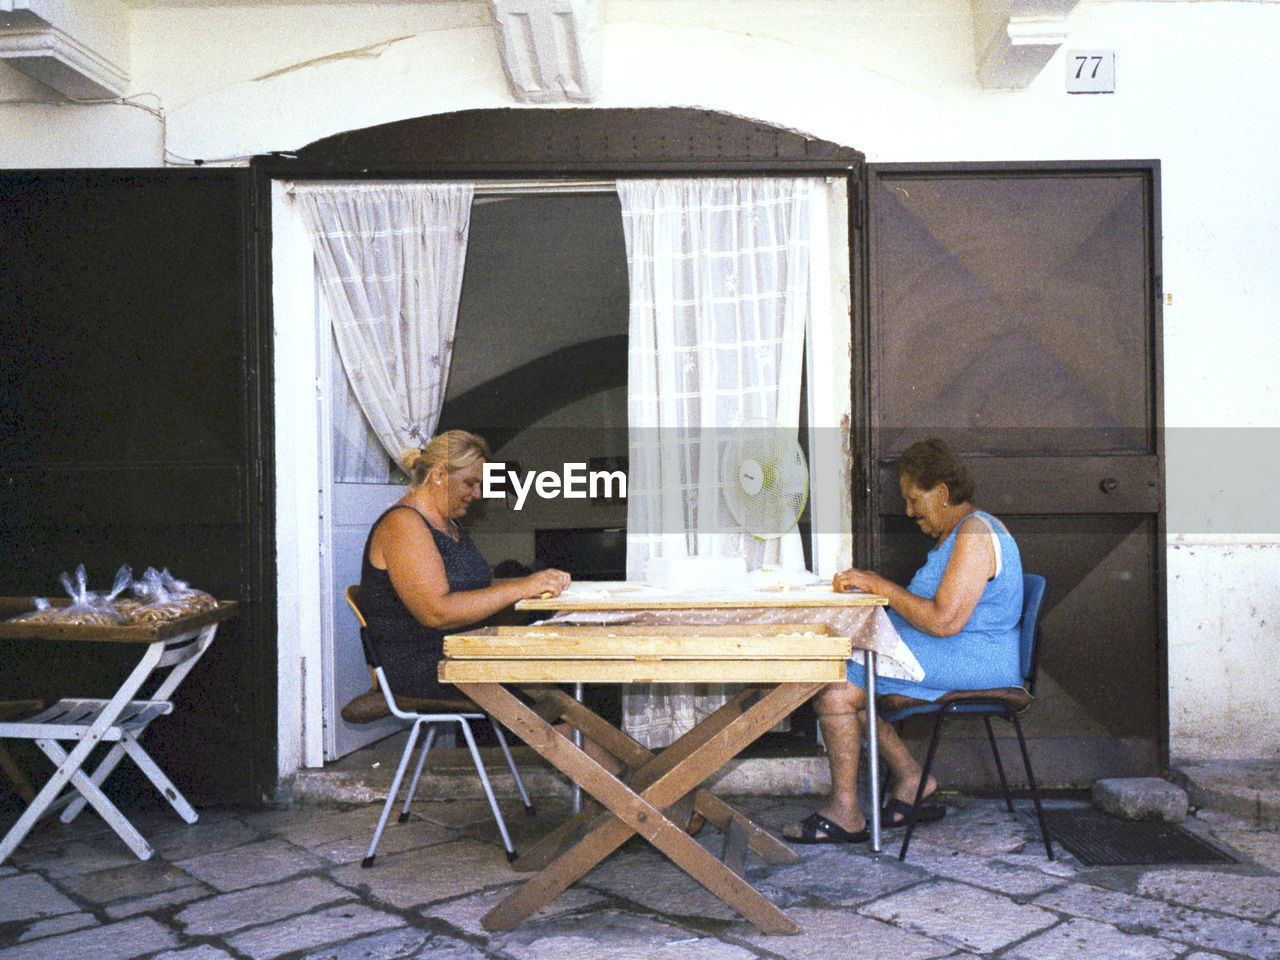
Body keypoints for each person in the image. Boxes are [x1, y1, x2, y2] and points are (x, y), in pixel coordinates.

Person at [784, 437, 1024, 844]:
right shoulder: (959, 534)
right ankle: (912, 779)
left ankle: (847, 811)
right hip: (957, 651)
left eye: (915, 499)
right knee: (843, 675)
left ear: (943, 493)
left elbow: (944, 621)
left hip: (975, 659)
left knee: (837, 686)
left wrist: (881, 586)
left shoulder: (976, 534)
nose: (910, 511)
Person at [360, 430, 571, 700]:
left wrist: (537, 583)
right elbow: (438, 612)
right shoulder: (404, 525)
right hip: (426, 667)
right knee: (552, 707)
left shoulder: (448, 525)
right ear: (438, 475)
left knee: (555, 693)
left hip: (460, 655)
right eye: (470, 483)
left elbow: (477, 588)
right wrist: (521, 588)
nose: (478, 494)